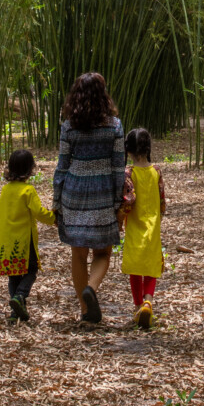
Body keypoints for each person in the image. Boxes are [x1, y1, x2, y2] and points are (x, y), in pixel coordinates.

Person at [52, 72, 126, 324]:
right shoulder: (114, 126)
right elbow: (118, 167)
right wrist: (119, 203)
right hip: (103, 193)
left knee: (78, 254)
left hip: (73, 193)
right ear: (103, 95)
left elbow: (62, 166)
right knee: (103, 253)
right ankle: (91, 289)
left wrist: (56, 201)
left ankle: (85, 311)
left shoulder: (68, 126)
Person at [0, 148, 56, 323]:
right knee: (31, 270)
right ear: (30, 169)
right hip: (23, 240)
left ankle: (16, 313)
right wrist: (55, 219)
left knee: (14, 275)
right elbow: (38, 212)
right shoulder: (28, 190)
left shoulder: (6, 190)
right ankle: (20, 297)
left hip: (6, 240)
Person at [120, 126, 165, 329]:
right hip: (153, 224)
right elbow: (162, 200)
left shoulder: (129, 173)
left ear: (128, 150)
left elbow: (128, 201)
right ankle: (148, 300)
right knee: (152, 265)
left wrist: (120, 219)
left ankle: (139, 306)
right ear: (148, 149)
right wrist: (159, 215)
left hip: (136, 225)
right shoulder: (156, 172)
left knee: (135, 267)